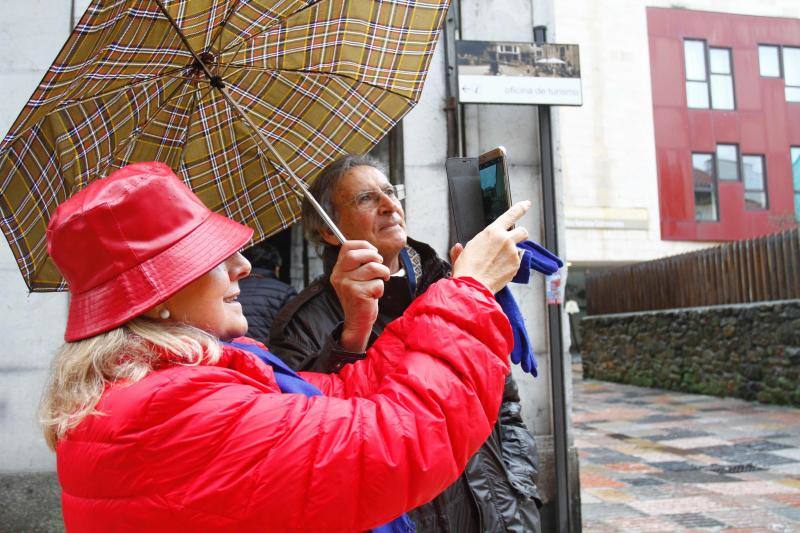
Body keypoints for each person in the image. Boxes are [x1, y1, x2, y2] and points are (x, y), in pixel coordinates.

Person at [39, 161, 531, 532]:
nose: (242, 267)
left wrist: (357, 333)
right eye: (210, 256)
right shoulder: (170, 407)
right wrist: (470, 292)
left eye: (389, 191)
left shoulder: (174, 381)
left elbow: (335, 401)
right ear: (157, 294)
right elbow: (394, 442)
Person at [269, 155, 542, 532]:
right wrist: (349, 337)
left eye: (389, 191)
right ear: (330, 231)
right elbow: (309, 434)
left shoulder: (452, 283)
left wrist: (518, 485)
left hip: (497, 515)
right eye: (366, 199)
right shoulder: (303, 320)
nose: (388, 205)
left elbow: (503, 401)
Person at [238, 243, 297, 343]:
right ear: (277, 268)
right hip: (268, 355)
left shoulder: (230, 289)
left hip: (232, 353)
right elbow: (294, 333)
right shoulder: (285, 292)